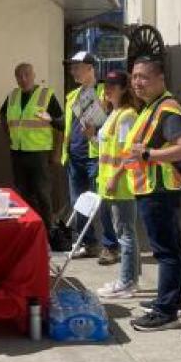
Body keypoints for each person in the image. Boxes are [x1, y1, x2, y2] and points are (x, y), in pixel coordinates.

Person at [124, 56, 181, 331]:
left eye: (143, 77)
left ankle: (165, 312)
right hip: (155, 188)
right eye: (134, 77)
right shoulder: (151, 107)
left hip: (159, 190)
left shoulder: (167, 109)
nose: (137, 82)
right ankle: (172, 300)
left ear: (160, 79)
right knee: (173, 247)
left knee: (165, 251)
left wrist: (148, 153)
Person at [61, 52, 119, 262]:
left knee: (101, 203)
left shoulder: (106, 92)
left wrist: (96, 133)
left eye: (77, 66)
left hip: (97, 156)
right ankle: (88, 244)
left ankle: (112, 246)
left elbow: (115, 122)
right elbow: (69, 124)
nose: (73, 70)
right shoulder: (72, 96)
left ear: (90, 68)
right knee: (79, 202)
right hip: (75, 156)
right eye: (72, 67)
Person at [0, 62, 63, 230]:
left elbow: (60, 124)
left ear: (34, 75)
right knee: (23, 193)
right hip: (18, 152)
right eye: (19, 76)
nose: (23, 79)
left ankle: (49, 230)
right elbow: (2, 115)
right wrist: (10, 135)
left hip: (39, 153)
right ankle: (30, 227)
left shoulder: (46, 95)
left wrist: (57, 152)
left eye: (27, 74)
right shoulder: (12, 96)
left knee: (42, 193)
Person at [95, 70, 142, 299]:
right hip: (110, 184)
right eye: (106, 84)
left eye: (113, 85)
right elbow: (107, 147)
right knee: (125, 232)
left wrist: (115, 176)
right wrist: (92, 136)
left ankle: (126, 282)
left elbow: (129, 153)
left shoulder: (126, 115)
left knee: (125, 234)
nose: (108, 89)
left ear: (124, 88)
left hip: (121, 185)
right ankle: (131, 279)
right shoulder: (114, 113)